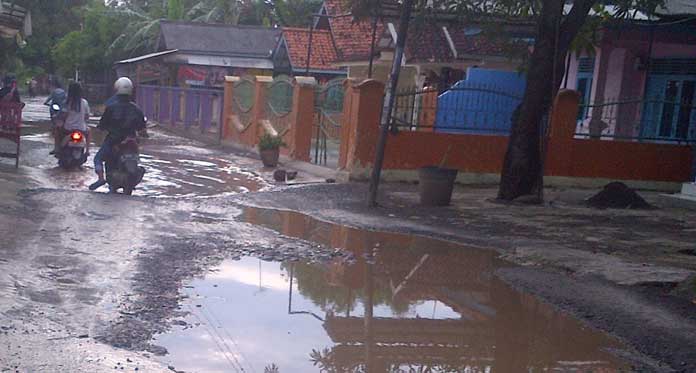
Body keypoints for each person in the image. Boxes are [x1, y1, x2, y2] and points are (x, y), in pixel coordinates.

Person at [89, 77, 146, 191]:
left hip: (113, 141)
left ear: (117, 89)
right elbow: (143, 130)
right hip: (131, 142)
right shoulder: (137, 109)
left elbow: (102, 126)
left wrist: (99, 130)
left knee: (98, 158)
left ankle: (101, 178)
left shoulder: (111, 108)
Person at [53, 82, 91, 155]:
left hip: (68, 129)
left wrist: (57, 118)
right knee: (89, 131)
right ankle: (87, 151)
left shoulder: (67, 102)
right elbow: (87, 116)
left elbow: (63, 115)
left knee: (57, 129)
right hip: (82, 129)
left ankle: (56, 149)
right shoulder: (84, 102)